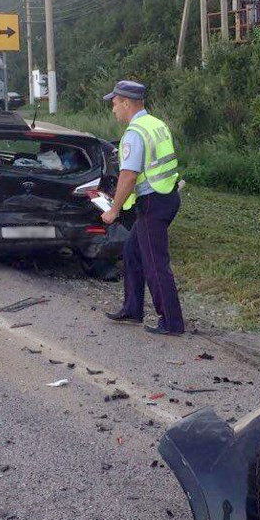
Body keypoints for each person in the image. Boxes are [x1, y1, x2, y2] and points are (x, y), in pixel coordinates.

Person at [99, 80, 185, 335]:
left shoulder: (135, 132)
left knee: (155, 263)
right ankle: (132, 309)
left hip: (152, 203)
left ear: (126, 103)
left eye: (114, 104)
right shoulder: (156, 124)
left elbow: (128, 175)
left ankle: (172, 323)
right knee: (132, 251)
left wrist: (114, 210)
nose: (113, 110)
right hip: (166, 197)